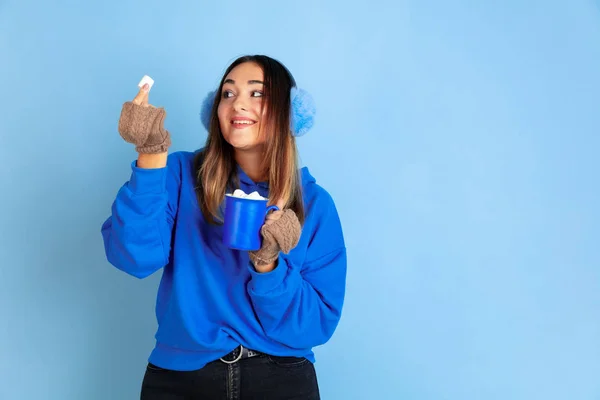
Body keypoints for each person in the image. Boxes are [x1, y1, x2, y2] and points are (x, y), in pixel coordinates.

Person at [101, 54, 347, 399]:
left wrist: (268, 265)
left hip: (279, 380)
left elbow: (314, 325)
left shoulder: (314, 204)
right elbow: (133, 257)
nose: (238, 104)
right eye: (228, 94)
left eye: (257, 94)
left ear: (288, 112)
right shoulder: (180, 174)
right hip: (179, 380)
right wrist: (150, 155)